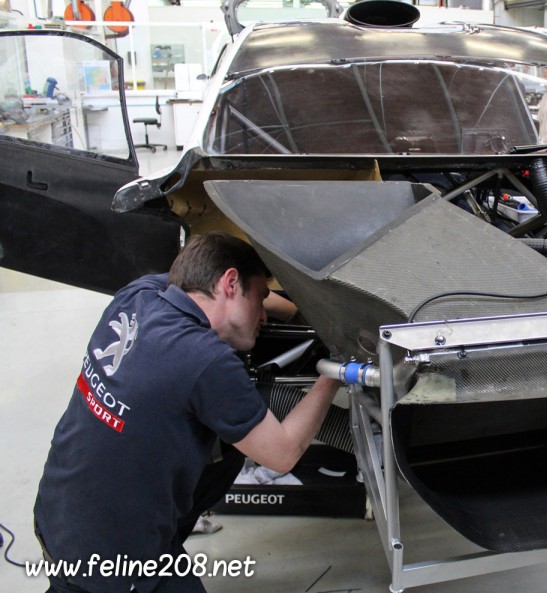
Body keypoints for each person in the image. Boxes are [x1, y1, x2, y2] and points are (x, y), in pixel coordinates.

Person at [34, 232, 341, 593]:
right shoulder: (206, 360)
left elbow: (183, 280)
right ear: (229, 282)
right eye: (259, 298)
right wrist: (336, 368)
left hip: (59, 516)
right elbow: (283, 453)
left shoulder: (138, 295)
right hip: (114, 558)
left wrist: (295, 311)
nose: (262, 314)